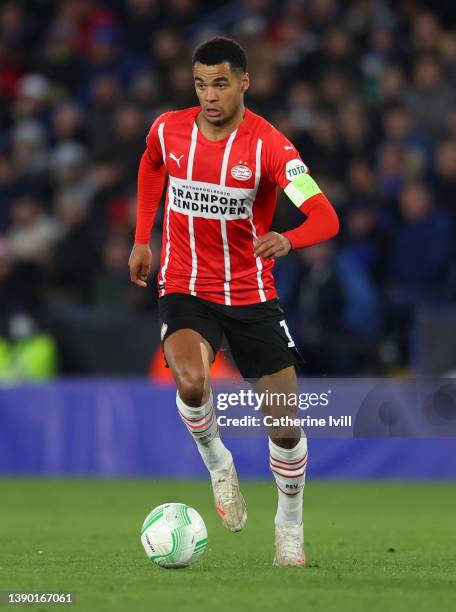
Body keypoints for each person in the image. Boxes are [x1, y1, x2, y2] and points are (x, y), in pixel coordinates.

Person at [128, 37, 339, 566]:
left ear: (244, 82)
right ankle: (219, 464)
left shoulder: (270, 147)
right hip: (185, 283)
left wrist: (289, 240)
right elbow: (152, 165)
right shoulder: (168, 128)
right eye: (200, 84)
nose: (209, 95)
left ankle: (289, 528)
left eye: (220, 83)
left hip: (249, 291)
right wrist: (141, 237)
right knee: (191, 381)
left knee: (286, 425)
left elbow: (325, 217)